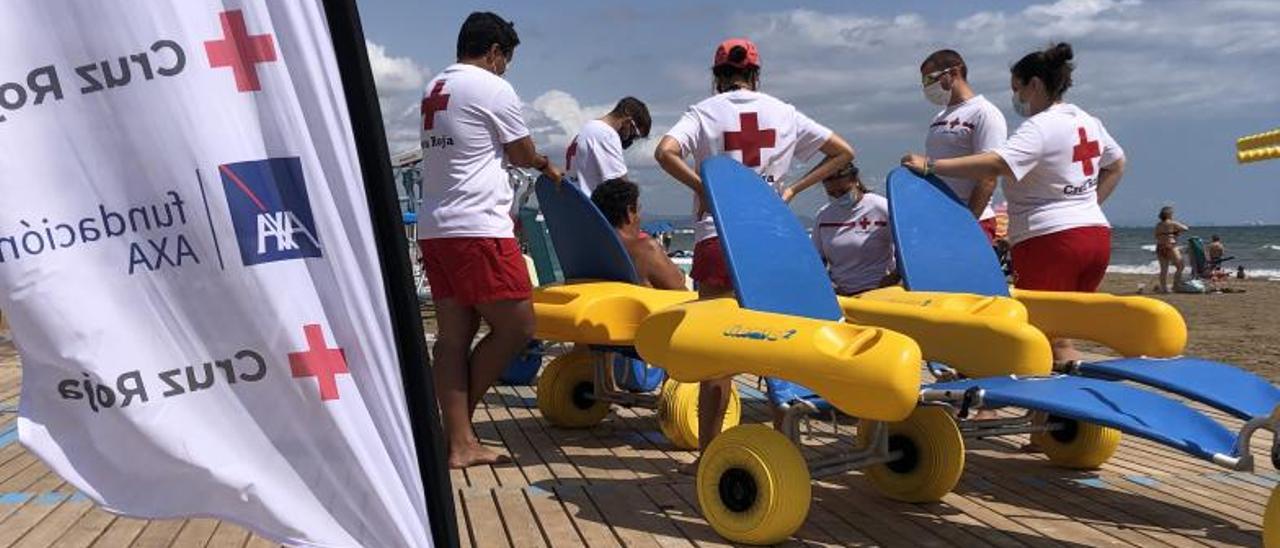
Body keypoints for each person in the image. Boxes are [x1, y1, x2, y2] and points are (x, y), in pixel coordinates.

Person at [654, 37, 854, 458]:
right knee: (778, 349)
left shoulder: (703, 112)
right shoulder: (784, 113)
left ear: (717, 76)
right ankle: (782, 447)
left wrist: (705, 187)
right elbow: (843, 152)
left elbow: (665, 151)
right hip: (770, 242)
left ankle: (710, 454)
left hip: (717, 237)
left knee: (715, 354)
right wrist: (794, 188)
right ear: (756, 75)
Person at [901, 42, 1126, 362]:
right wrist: (1087, 204)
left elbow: (996, 164)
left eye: (1017, 89)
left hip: (1050, 241)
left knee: (1036, 334)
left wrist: (932, 166)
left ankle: (1031, 407)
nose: (1016, 99)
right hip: (1094, 235)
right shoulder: (1087, 120)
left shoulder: (1040, 126)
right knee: (1060, 335)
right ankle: (1060, 411)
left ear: (1034, 84)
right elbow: (1117, 164)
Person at [418, 12, 563, 469]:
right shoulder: (492, 87)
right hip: (478, 226)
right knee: (518, 325)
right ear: (496, 52)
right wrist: (542, 162)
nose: (506, 69)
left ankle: (458, 442)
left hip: (436, 226)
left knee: (453, 337)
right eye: (506, 60)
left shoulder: (435, 87)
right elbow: (520, 151)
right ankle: (454, 431)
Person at [919, 49, 1008, 242]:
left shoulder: (984, 112)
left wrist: (967, 224)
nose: (926, 87)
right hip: (941, 219)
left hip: (973, 220)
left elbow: (988, 176)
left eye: (930, 80)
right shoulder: (938, 118)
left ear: (954, 73)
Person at [811, 163, 897, 295]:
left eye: (843, 192)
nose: (838, 197)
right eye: (832, 194)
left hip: (882, 293)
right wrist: (829, 287)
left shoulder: (882, 207)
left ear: (855, 181)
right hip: (842, 295)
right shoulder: (823, 216)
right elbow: (817, 260)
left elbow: (906, 251)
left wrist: (889, 282)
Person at [590, 178, 687, 290]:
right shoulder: (645, 249)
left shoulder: (588, 252)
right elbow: (678, 286)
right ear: (629, 211)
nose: (640, 218)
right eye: (639, 210)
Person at [566, 98, 652, 195]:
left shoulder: (589, 128)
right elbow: (622, 188)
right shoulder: (606, 135)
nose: (632, 140)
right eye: (635, 135)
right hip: (588, 206)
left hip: (575, 199)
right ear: (628, 122)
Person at [1155, 206, 1189, 293]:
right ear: (1169, 214)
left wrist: (1171, 233)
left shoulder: (1158, 225)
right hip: (1170, 246)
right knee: (1181, 266)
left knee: (1164, 269)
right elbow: (1185, 228)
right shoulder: (1172, 223)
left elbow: (1157, 235)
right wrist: (1175, 232)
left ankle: (1164, 288)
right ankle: (1176, 285)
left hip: (1160, 247)